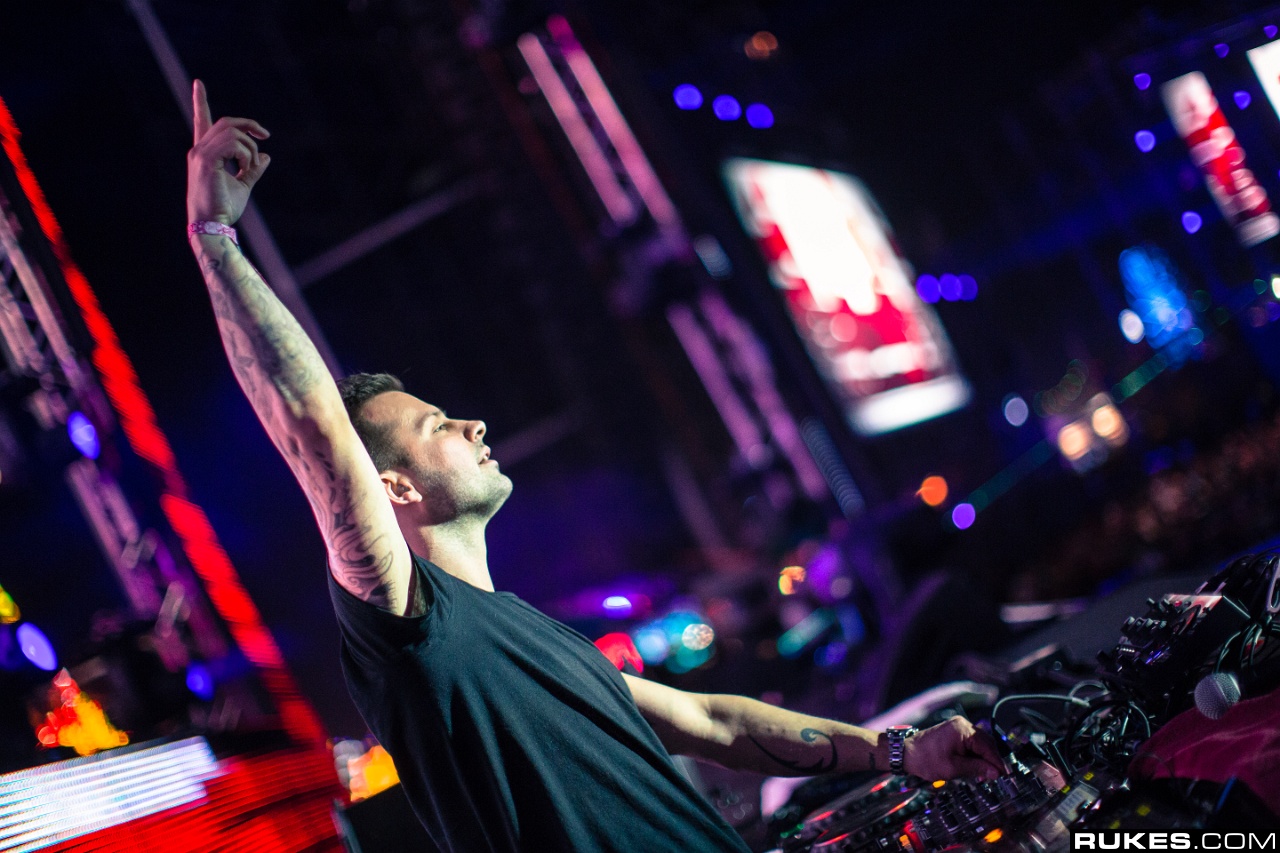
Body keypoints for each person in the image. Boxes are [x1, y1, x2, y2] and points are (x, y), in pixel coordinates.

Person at [185, 80, 1007, 852]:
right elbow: (318, 431)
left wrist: (901, 750)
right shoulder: (409, 627)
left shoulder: (530, 629)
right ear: (390, 485)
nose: (472, 424)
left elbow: (714, 723)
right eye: (436, 425)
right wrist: (214, 235)